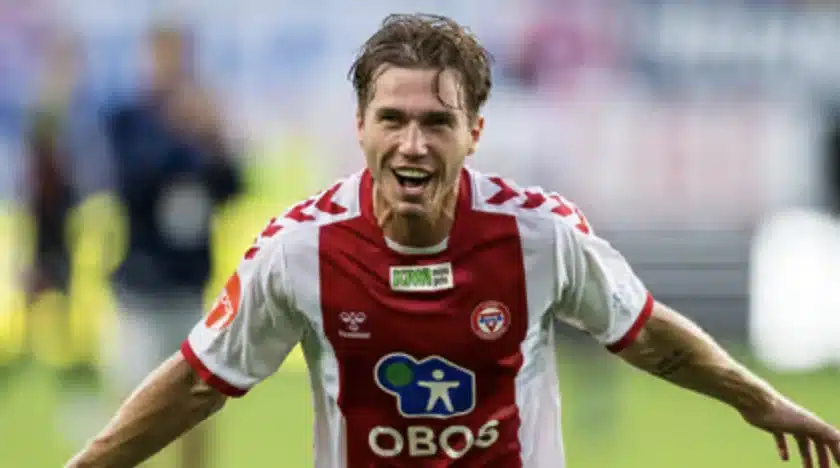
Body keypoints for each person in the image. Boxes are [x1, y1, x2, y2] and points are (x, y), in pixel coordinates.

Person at [67, 13, 840, 468]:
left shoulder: (540, 235)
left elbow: (642, 332)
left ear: (474, 132)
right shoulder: (299, 250)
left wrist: (760, 401)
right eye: (393, 119)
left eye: (437, 122)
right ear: (360, 127)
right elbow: (200, 380)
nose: (413, 144)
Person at [97, 24, 242, 468]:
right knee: (130, 408)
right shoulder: (128, 118)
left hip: (188, 284)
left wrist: (214, 139)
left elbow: (231, 187)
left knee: (196, 404)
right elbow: (132, 183)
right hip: (141, 286)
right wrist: (181, 134)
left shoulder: (201, 117)